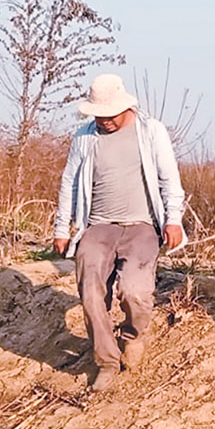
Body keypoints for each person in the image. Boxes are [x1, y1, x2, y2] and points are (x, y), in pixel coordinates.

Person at [53, 73, 186, 392]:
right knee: (91, 291)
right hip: (98, 226)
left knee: (135, 290)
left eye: (109, 116)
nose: (103, 121)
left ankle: (133, 336)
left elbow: (170, 178)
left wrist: (174, 219)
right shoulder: (84, 137)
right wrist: (61, 227)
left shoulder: (150, 131)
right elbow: (69, 182)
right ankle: (107, 361)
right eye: (98, 116)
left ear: (124, 107)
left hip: (140, 226)